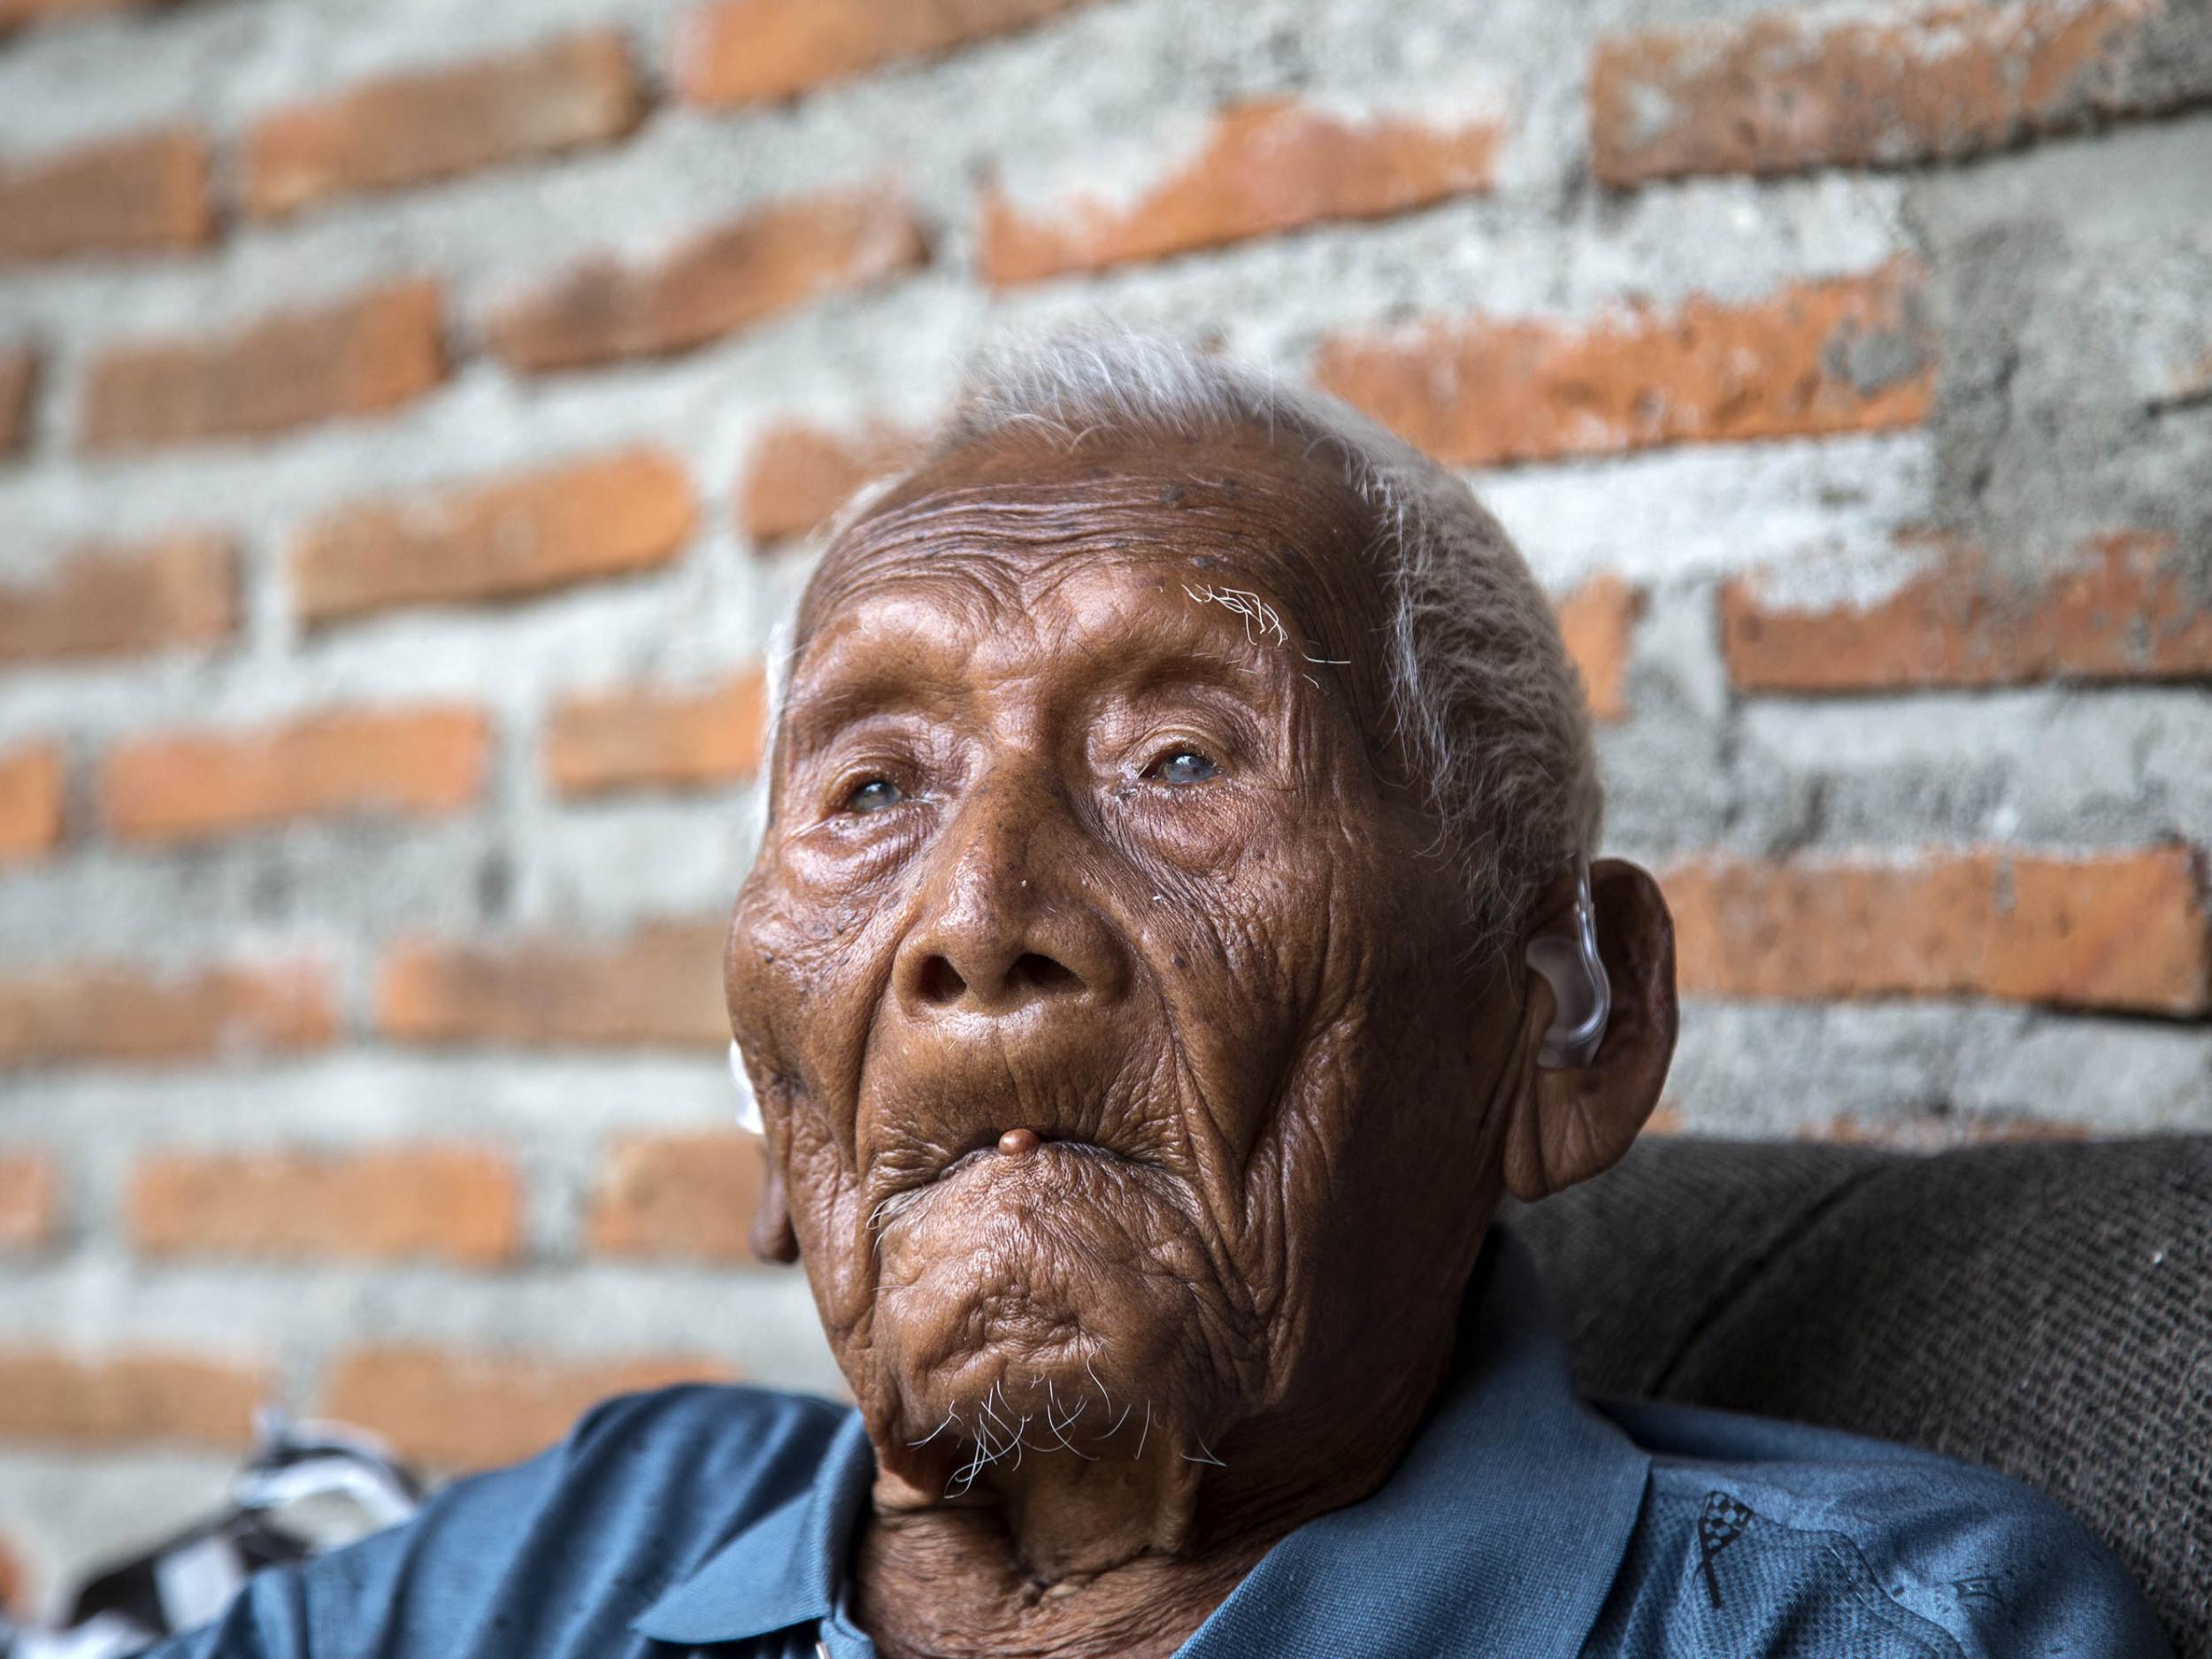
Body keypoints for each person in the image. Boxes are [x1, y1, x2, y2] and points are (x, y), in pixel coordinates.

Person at [146, 334, 2170, 1658]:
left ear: (1568, 1017)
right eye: (870, 787)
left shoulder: (1874, 1634)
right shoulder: (571, 1562)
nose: (978, 912)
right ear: (776, 1105)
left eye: (1180, 759)